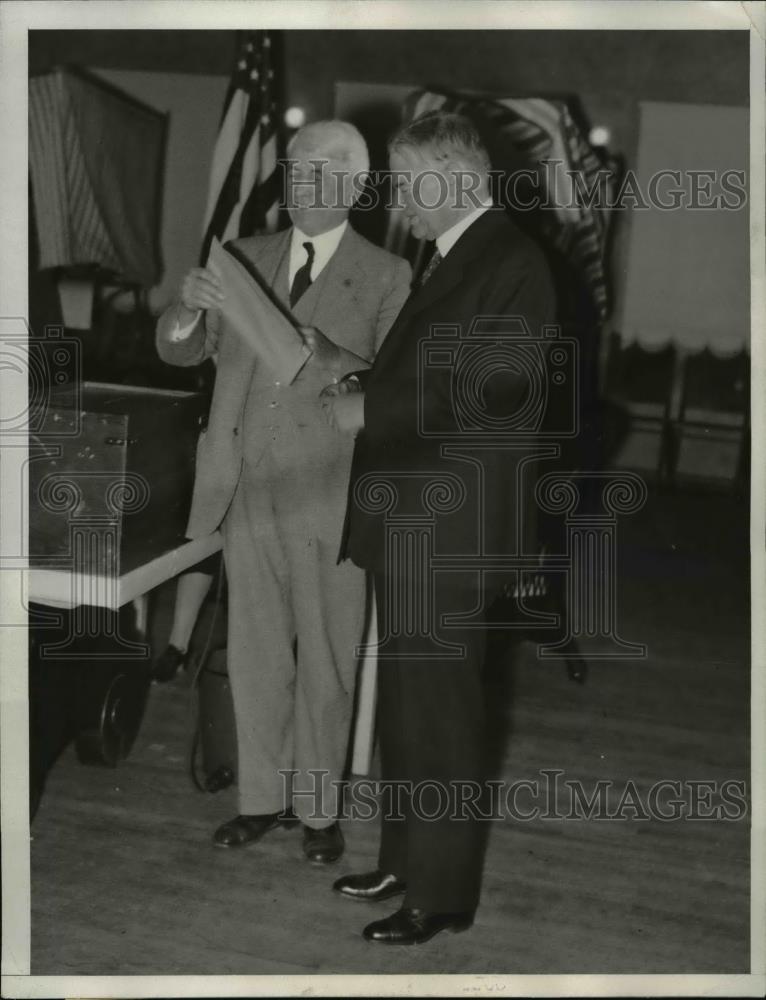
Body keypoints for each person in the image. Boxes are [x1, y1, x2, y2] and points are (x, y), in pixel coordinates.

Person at [322, 111, 555, 942]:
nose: (400, 203)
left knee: (441, 712)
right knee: (410, 706)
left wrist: (368, 407)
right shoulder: (461, 255)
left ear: (455, 175)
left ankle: (443, 895)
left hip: (454, 523)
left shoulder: (511, 259)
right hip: (417, 516)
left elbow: (495, 386)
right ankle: (404, 859)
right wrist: (365, 375)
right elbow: (436, 365)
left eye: (409, 184)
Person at [156, 120, 411, 864]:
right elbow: (178, 350)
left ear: (357, 186)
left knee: (328, 660)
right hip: (246, 488)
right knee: (258, 654)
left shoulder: (389, 275)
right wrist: (187, 310)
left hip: (332, 497)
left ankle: (320, 810)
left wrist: (329, 358)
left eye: (319, 172)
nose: (300, 184)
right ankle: (260, 801)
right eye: (295, 170)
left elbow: (394, 388)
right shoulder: (244, 257)